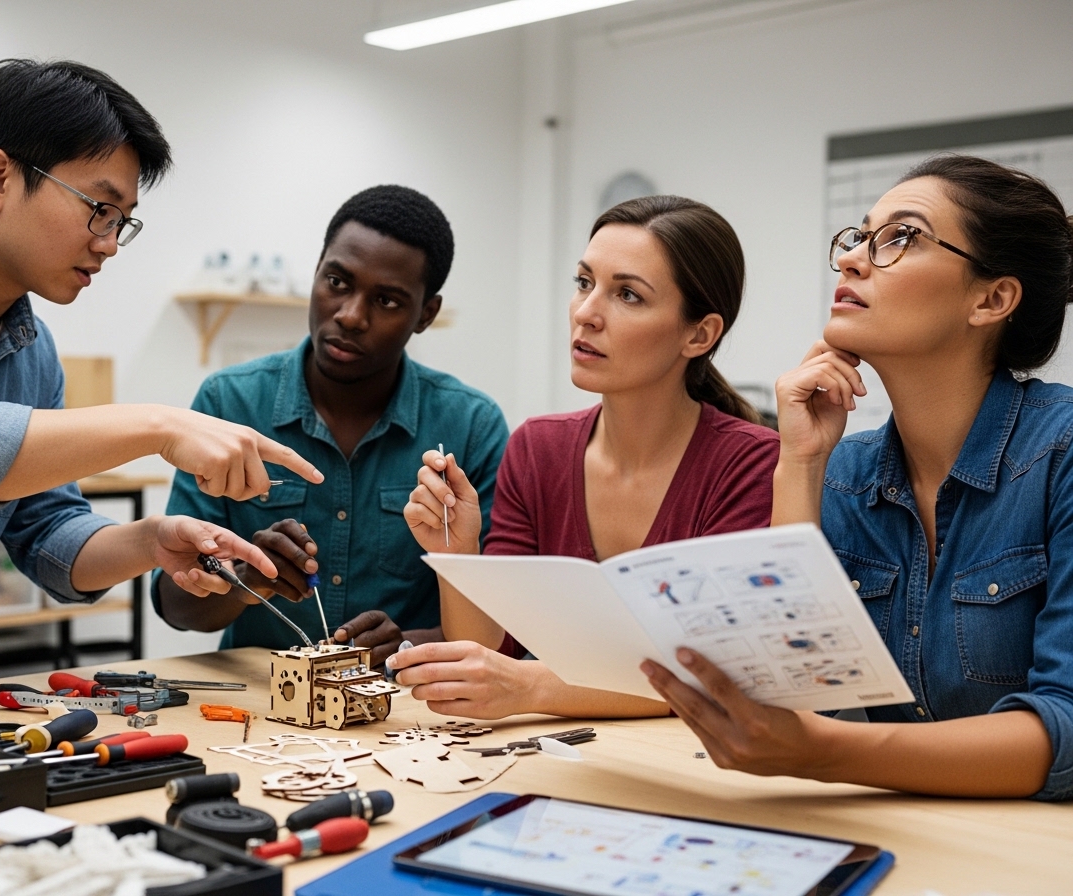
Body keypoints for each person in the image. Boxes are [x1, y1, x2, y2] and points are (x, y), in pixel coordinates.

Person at [0, 59, 321, 693]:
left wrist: (153, 540)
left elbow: (47, 534)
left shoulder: (31, 351)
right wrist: (157, 425)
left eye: (121, 221)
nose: (109, 243)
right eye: (99, 208)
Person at [640, 155, 1073, 801]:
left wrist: (825, 752)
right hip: (907, 826)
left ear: (991, 298)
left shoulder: (1060, 450)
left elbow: (1065, 727)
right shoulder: (844, 469)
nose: (852, 260)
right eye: (861, 236)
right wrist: (801, 462)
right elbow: (787, 688)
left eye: (901, 237)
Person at [392, 195, 780, 718]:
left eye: (628, 295)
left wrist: (531, 688)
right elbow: (492, 655)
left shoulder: (750, 463)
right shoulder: (538, 449)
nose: (586, 313)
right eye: (583, 282)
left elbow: (714, 675)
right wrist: (457, 552)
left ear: (699, 333)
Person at [153, 185, 509, 666]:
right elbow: (174, 607)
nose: (350, 315)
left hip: (406, 714)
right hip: (255, 713)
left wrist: (408, 643)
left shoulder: (471, 426)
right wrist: (246, 579)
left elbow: (499, 622)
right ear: (317, 271)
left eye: (386, 301)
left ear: (426, 314)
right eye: (337, 282)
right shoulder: (228, 402)